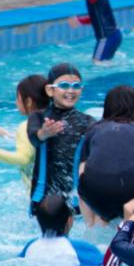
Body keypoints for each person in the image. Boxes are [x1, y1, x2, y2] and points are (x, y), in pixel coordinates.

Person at [77, 85, 134, 225]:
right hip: (132, 193)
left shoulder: (94, 129)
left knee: (85, 183)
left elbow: (82, 168)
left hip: (96, 193)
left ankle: (91, 225)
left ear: (107, 107)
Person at [28, 63, 95, 213]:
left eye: (76, 86)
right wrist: (44, 134)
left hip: (76, 198)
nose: (71, 90)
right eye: (64, 85)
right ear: (50, 90)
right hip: (43, 197)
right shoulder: (39, 117)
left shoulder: (88, 122)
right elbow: (33, 139)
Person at [0, 74, 49, 190]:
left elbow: (24, 159)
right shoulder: (56, 122)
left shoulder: (26, 127)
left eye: (17, 99)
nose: (16, 103)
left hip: (38, 191)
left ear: (28, 101)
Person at [19, 195, 102, 266]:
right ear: (69, 221)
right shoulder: (82, 248)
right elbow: (104, 264)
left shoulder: (30, 246)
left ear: (38, 221)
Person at [73, 0, 122, 64]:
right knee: (104, 63)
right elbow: (97, 16)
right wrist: (81, 21)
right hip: (113, 35)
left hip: (107, 37)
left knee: (97, 64)